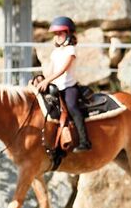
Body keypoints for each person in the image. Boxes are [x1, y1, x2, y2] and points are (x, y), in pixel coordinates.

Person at [33, 16, 91, 151]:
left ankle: (84, 141)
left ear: (69, 34)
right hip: (55, 88)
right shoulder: (55, 53)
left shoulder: (71, 50)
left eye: (61, 33)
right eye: (56, 34)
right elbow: (50, 70)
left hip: (68, 87)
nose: (57, 36)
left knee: (72, 107)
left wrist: (48, 80)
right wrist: (42, 78)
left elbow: (63, 69)